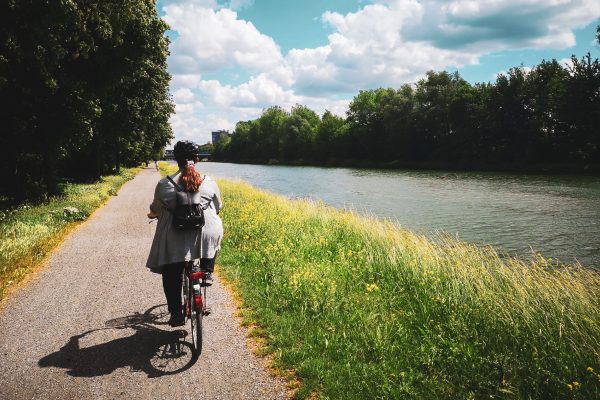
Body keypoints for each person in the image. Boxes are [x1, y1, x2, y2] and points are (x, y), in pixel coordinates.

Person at [146, 140, 223, 327]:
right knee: (212, 232)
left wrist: (153, 214)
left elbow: (155, 209)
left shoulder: (164, 184)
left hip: (176, 234)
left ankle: (176, 313)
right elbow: (219, 207)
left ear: (175, 159)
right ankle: (206, 271)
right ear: (197, 159)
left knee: (172, 272)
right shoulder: (209, 181)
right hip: (206, 233)